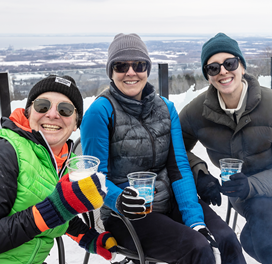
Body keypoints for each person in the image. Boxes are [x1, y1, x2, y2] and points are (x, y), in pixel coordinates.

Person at [80, 33, 246, 264]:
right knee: (197, 249)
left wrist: (195, 221)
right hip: (127, 215)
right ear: (111, 72)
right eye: (121, 66)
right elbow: (93, 178)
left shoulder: (165, 109)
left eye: (138, 65)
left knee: (227, 239)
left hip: (170, 202)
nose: (130, 72)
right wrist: (120, 200)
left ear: (147, 69)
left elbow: (178, 169)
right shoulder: (100, 112)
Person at [0, 75, 117, 264]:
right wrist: (56, 208)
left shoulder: (63, 160)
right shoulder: (0, 153)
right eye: (42, 106)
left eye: (65, 110)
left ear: (75, 124)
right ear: (29, 113)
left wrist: (87, 237)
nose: (53, 114)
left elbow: (51, 207)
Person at [179, 32, 272, 264]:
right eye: (213, 68)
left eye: (230, 63)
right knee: (259, 210)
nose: (223, 71)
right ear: (208, 76)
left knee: (250, 238)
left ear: (242, 67)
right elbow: (173, 148)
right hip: (243, 189)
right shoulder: (196, 112)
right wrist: (200, 174)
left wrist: (251, 185)